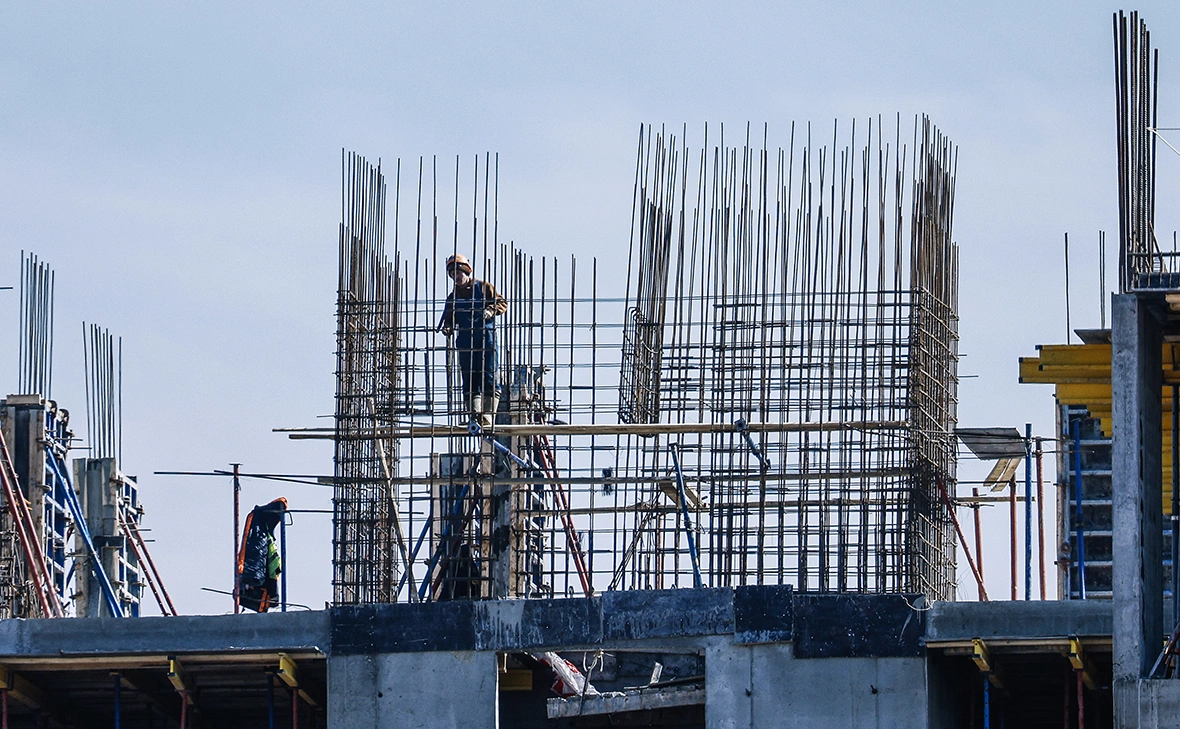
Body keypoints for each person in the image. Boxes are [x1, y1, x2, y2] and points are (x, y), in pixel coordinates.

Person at [438, 253, 507, 427]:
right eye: (453, 275)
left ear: (466, 271)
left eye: (458, 273)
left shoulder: (483, 287)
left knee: (489, 375)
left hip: (486, 339)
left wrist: (491, 310)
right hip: (466, 342)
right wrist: (448, 326)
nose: (456, 277)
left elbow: (502, 303)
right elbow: (449, 317)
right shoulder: (453, 297)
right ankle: (474, 414)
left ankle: (488, 415)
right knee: (470, 378)